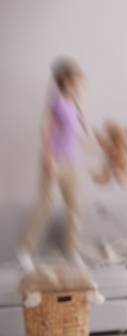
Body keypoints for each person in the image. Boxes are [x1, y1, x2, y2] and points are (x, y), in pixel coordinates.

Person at [16, 57, 87, 272]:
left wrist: (104, 150)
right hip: (55, 161)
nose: (82, 84)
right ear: (65, 79)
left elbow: (78, 140)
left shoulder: (75, 106)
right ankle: (24, 250)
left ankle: (73, 252)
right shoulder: (55, 101)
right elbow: (45, 129)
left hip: (73, 164)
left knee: (74, 209)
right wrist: (50, 159)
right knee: (45, 204)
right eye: (79, 79)